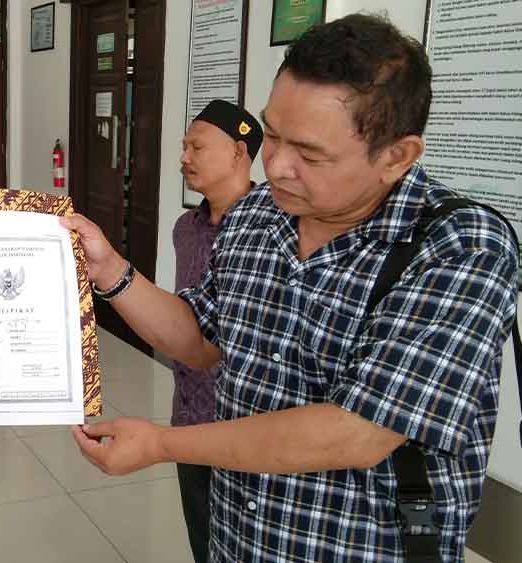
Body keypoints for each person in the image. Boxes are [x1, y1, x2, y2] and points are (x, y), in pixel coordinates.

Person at [66, 14, 517, 562]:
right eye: (273, 135)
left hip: (360, 547)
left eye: (309, 153)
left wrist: (161, 444)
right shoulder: (256, 214)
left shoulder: (459, 245)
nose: (277, 166)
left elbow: (358, 431)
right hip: (241, 537)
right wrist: (109, 269)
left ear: (396, 157)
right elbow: (200, 338)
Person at [171, 99, 262, 563]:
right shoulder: (184, 229)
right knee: (202, 536)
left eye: (197, 147)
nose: (184, 157)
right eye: (184, 146)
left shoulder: (275, 232)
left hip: (246, 426)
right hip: (189, 415)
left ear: (239, 152)